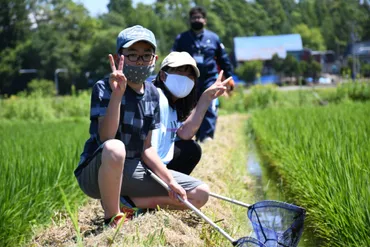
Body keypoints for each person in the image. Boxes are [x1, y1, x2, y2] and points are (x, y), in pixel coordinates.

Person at [74, 25, 209, 228]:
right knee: (115, 147)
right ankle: (112, 217)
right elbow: (105, 138)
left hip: (134, 169)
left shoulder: (153, 94)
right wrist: (117, 95)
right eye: (132, 55)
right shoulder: (104, 87)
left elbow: (147, 148)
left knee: (200, 194)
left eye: (146, 55)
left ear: (154, 60)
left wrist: (170, 181)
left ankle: (128, 205)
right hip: (99, 170)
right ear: (120, 57)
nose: (139, 61)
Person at [151, 51, 232, 176]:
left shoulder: (176, 103)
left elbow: (184, 134)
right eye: (179, 72)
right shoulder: (155, 98)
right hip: (148, 165)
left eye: (190, 75)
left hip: (159, 162)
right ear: (163, 75)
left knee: (191, 150)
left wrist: (206, 98)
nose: (185, 78)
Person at [172, 6, 234, 142]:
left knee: (209, 106)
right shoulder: (182, 39)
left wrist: (229, 78)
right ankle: (188, 134)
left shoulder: (214, 38)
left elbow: (224, 59)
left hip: (210, 78)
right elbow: (173, 59)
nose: (197, 20)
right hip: (188, 79)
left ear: (205, 20)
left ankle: (206, 136)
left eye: (199, 18)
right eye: (194, 18)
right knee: (188, 107)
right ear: (189, 20)